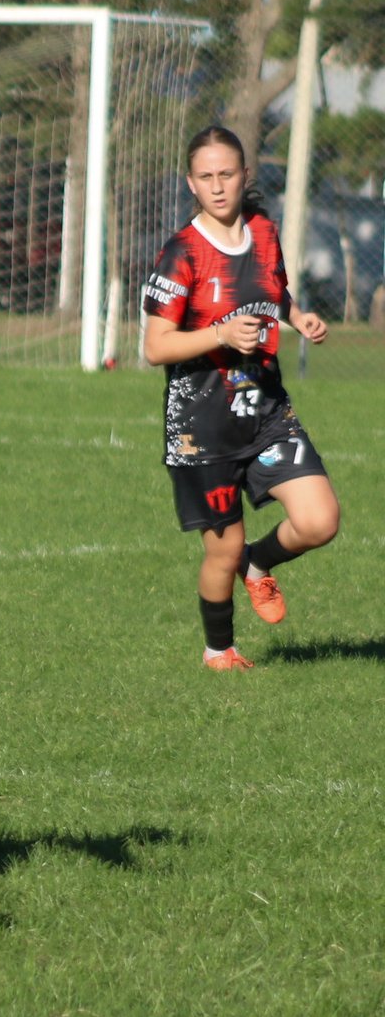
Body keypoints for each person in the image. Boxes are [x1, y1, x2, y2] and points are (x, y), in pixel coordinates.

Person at [142, 125, 340, 671]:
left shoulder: (263, 231)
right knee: (221, 550)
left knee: (320, 520)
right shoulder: (182, 253)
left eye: (226, 174)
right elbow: (156, 347)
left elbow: (274, 289)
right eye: (205, 177)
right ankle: (220, 651)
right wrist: (221, 335)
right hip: (202, 427)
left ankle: (258, 565)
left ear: (244, 175)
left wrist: (296, 316)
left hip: (266, 411)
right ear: (191, 183)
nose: (217, 186)